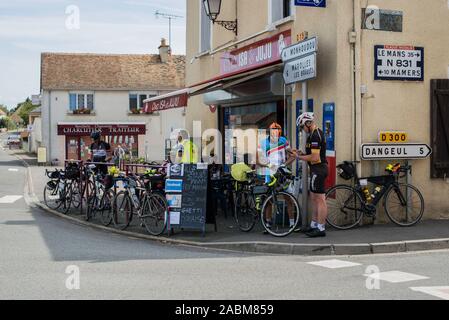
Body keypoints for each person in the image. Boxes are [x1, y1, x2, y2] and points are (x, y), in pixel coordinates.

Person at [257, 122, 298, 234]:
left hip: (282, 174)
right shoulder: (263, 143)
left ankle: (292, 223)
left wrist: (284, 164)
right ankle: (268, 224)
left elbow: (293, 155)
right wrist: (268, 165)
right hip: (269, 175)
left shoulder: (283, 141)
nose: (276, 137)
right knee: (269, 200)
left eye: (278, 135)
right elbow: (259, 160)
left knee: (289, 199)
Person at [296, 112, 329, 238]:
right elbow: (312, 154)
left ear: (308, 123)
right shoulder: (312, 135)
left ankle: (321, 228)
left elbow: (315, 157)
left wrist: (299, 157)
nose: (302, 129)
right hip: (316, 169)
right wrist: (302, 153)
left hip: (319, 169)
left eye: (302, 126)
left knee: (320, 199)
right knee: (314, 198)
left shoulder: (316, 135)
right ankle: (314, 225)